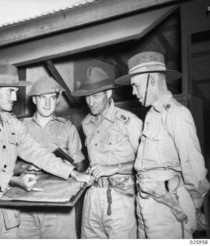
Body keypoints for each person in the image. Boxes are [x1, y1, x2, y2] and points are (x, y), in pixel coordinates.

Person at [0, 64, 91, 239]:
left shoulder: (12, 123)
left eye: (15, 91)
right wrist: (14, 180)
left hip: (8, 219)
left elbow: (36, 151)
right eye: (10, 91)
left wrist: (71, 172)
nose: (15, 97)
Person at [115, 51, 210, 238]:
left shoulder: (176, 114)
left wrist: (195, 207)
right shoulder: (151, 115)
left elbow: (195, 169)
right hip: (147, 204)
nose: (133, 92)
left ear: (151, 81)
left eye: (136, 85)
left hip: (168, 208)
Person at [71, 63, 142, 238]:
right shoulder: (86, 123)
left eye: (95, 96)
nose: (90, 102)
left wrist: (115, 168)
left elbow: (147, 166)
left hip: (120, 199)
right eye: (87, 97)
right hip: (92, 197)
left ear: (108, 93)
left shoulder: (129, 122)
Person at [17, 76, 85, 239]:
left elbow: (80, 167)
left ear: (57, 100)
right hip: (25, 201)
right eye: (42, 98)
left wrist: (67, 166)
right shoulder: (20, 127)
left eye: (52, 98)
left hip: (59, 204)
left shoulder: (68, 128)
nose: (47, 103)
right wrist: (25, 167)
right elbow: (7, 164)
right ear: (34, 99)